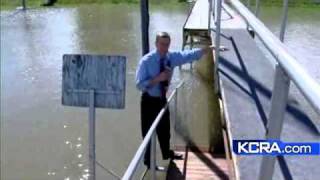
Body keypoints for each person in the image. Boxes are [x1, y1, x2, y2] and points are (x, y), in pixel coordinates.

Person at [135, 31, 226, 168]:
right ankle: (149, 164)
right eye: (162, 44)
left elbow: (189, 55)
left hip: (162, 100)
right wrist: (157, 79)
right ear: (156, 44)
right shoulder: (146, 61)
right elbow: (139, 85)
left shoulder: (171, 57)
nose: (164, 48)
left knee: (165, 131)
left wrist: (210, 48)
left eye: (167, 44)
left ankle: (167, 154)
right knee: (148, 133)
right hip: (148, 101)